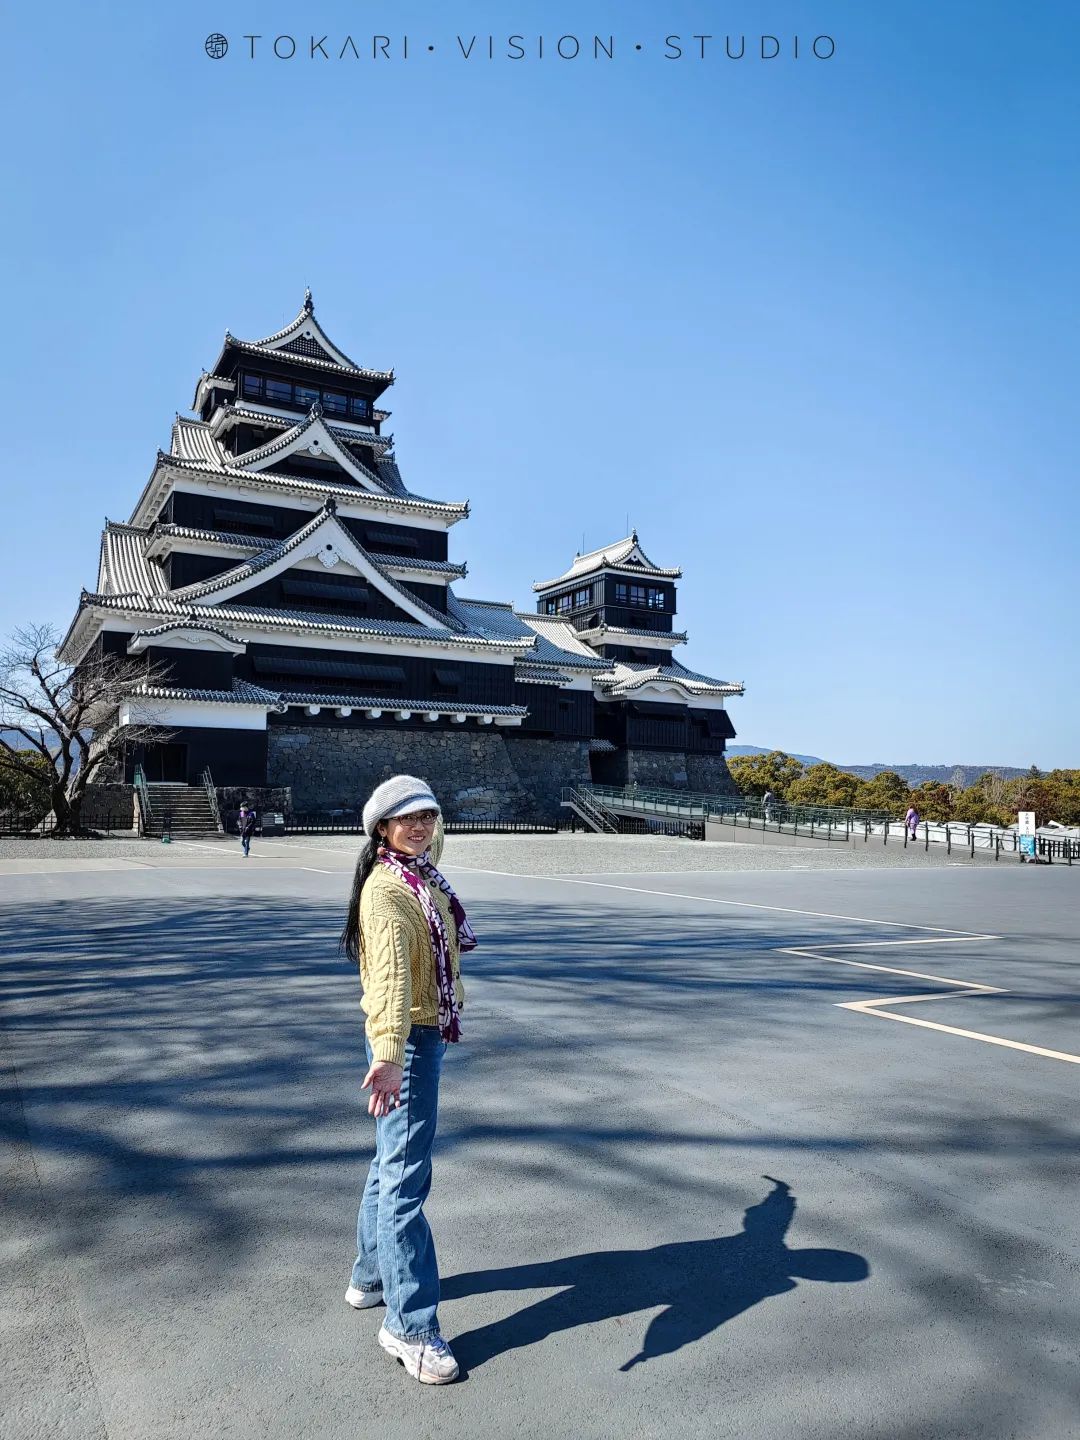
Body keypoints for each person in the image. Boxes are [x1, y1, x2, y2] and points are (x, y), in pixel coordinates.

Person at [340, 775, 475, 1386]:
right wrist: (390, 1055)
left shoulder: (422, 877)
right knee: (406, 1181)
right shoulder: (390, 891)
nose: (419, 827)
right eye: (405, 819)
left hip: (420, 1034)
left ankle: (370, 1276)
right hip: (409, 1042)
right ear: (381, 829)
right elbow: (390, 980)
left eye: (427, 816)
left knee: (387, 1161)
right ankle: (410, 1326)